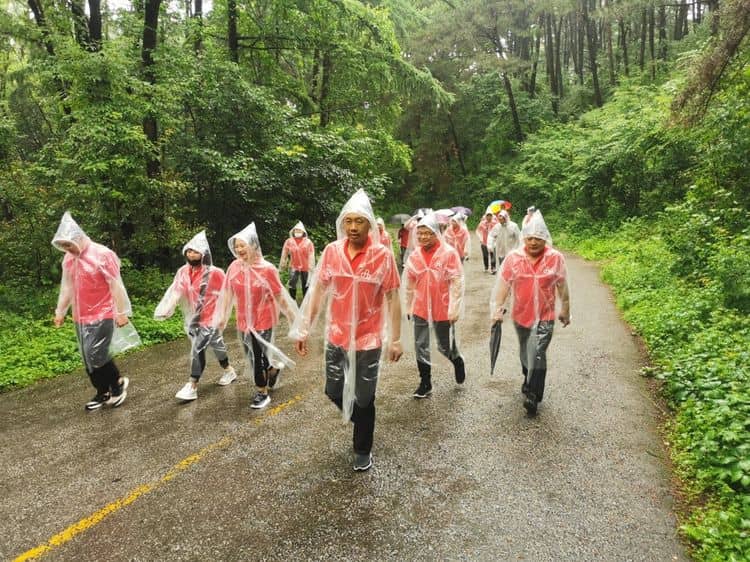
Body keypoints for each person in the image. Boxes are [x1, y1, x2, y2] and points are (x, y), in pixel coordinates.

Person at [291, 189, 402, 472]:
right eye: (348, 221)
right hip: (337, 336)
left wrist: (396, 339)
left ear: (370, 225)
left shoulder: (382, 256)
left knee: (364, 398)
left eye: (359, 221)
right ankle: (362, 423)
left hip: (368, 339)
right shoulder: (332, 251)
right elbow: (318, 291)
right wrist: (304, 329)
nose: (353, 227)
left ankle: (362, 448)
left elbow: (393, 297)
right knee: (333, 390)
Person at [491, 210, 571, 416]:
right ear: (524, 238)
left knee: (538, 352)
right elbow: (503, 286)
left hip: (545, 316)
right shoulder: (514, 258)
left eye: (538, 238)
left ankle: (533, 395)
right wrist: (498, 309)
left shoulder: (555, 258)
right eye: (530, 238)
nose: (534, 242)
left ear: (546, 239)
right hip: (521, 316)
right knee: (526, 352)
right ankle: (528, 376)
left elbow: (562, 286)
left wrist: (565, 309)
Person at [52, 212, 134, 410]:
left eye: (69, 244)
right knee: (87, 357)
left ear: (79, 238)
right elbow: (67, 288)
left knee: (97, 354)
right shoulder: (69, 259)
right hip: (80, 316)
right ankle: (102, 391)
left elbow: (116, 285)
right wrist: (60, 312)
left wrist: (121, 312)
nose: (68, 249)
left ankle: (117, 384)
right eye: (64, 246)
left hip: (103, 314)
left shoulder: (102, 254)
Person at [217, 223, 298, 409]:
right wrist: (222, 316)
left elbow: (279, 295)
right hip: (244, 319)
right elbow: (228, 292)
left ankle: (262, 392)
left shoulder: (267, 269)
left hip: (263, 319)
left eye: (242, 245)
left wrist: (292, 318)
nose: (239, 249)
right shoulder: (234, 267)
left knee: (257, 356)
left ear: (254, 245)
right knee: (252, 354)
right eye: (236, 246)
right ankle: (273, 369)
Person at [154, 231, 237, 401]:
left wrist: (223, 315)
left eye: (196, 251)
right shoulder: (183, 272)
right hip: (195, 318)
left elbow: (228, 293)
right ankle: (229, 370)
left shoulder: (215, 273)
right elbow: (177, 291)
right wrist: (167, 308)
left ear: (204, 254)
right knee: (217, 345)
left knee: (197, 348)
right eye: (189, 251)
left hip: (212, 317)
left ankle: (192, 385)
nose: (191, 254)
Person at [403, 213, 466, 399]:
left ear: (436, 233)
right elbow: (409, 283)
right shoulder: (415, 256)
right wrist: (408, 305)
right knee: (420, 345)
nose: (422, 237)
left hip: (442, 308)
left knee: (443, 346)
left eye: (427, 233)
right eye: (420, 233)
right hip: (420, 307)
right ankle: (425, 383)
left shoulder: (448, 253)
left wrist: (454, 307)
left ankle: (456, 359)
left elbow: (456, 281)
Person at [279, 221, 315, 302]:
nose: (298, 232)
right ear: (293, 231)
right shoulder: (289, 241)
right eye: (296, 230)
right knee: (292, 283)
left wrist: (311, 266)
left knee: (306, 283)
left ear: (303, 232)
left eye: (299, 231)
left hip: (306, 267)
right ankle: (293, 300)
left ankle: (305, 301)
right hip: (293, 266)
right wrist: (283, 264)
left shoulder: (308, 242)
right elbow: (284, 253)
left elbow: (311, 255)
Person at [475, 208, 498, 273]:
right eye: (488, 215)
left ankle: (493, 268)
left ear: (492, 216)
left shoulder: (495, 223)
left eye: (490, 215)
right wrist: (480, 238)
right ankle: (486, 267)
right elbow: (477, 231)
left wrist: (496, 236)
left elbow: (498, 230)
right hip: (484, 242)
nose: (489, 217)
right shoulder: (482, 223)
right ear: (485, 216)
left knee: (493, 255)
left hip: (493, 242)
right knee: (485, 256)